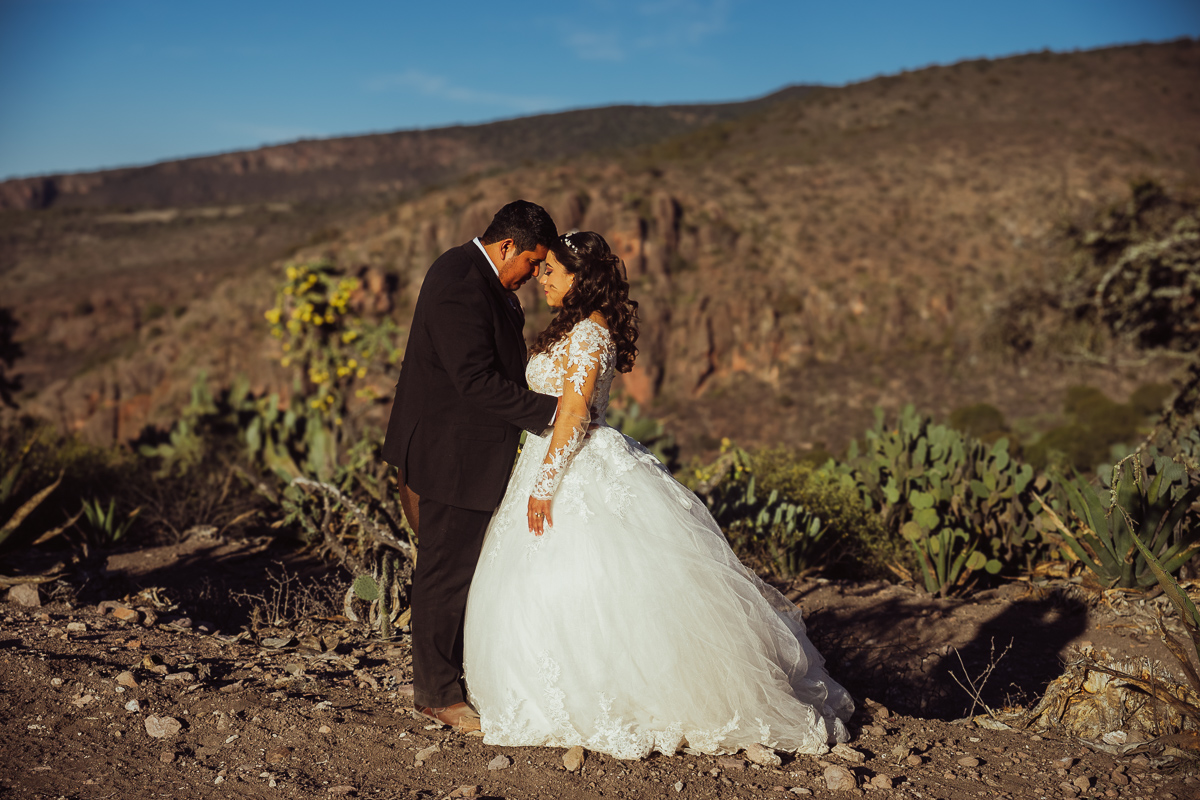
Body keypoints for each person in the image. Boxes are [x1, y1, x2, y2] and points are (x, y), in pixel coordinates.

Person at [463, 231, 854, 759]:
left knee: (596, 579)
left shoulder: (589, 335)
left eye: (551, 270)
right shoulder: (573, 329)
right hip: (547, 456)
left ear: (582, 278)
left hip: (570, 465)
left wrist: (544, 486)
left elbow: (574, 416)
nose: (541, 277)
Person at [382, 200, 561, 732]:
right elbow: (474, 381)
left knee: (460, 568)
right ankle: (436, 693)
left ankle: (453, 676)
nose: (532, 275)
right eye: (531, 262)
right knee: (445, 571)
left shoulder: (479, 277)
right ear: (507, 246)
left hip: (464, 450)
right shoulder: (461, 280)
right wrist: (556, 414)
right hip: (449, 455)